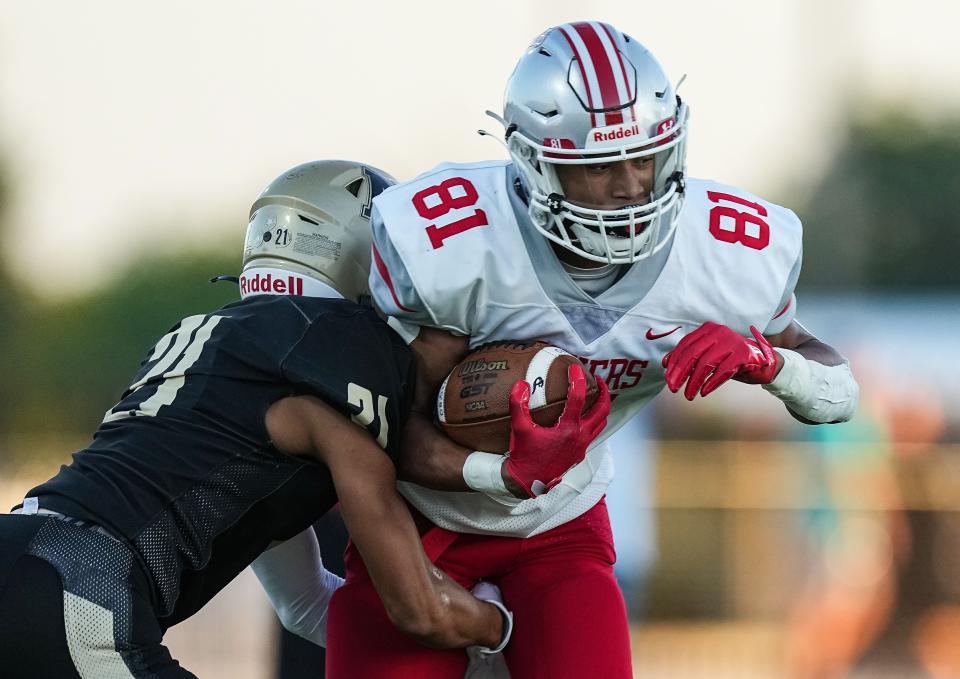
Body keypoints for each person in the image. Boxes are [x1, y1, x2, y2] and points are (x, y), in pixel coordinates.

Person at [329, 20, 862, 679]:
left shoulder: (722, 253)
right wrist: (503, 471)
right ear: (536, 162)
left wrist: (773, 365)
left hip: (561, 529)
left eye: (646, 157)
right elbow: (388, 433)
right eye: (601, 165)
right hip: (424, 526)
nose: (631, 184)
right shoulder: (457, 243)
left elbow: (843, 396)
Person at [0, 160, 516, 678]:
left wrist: (467, 644)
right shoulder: (335, 369)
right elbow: (418, 610)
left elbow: (307, 604)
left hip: (30, 548)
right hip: (75, 583)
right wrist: (498, 627)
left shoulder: (237, 377)